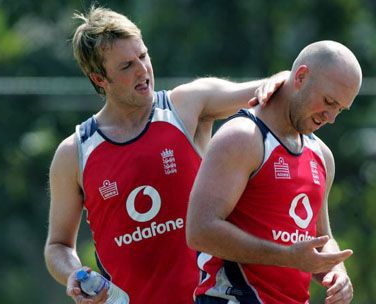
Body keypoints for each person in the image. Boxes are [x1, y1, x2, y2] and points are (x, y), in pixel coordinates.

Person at [44, 5, 288, 304]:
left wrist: (288, 79)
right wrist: (74, 273)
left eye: (143, 56)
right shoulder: (74, 153)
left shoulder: (187, 105)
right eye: (126, 66)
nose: (142, 70)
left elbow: (266, 90)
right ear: (99, 79)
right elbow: (57, 246)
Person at [186, 40, 362, 304]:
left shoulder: (322, 155)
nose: (331, 117)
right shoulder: (242, 137)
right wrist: (287, 256)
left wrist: (336, 271)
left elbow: (321, 238)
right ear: (301, 77)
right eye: (328, 101)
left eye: (340, 108)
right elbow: (200, 231)